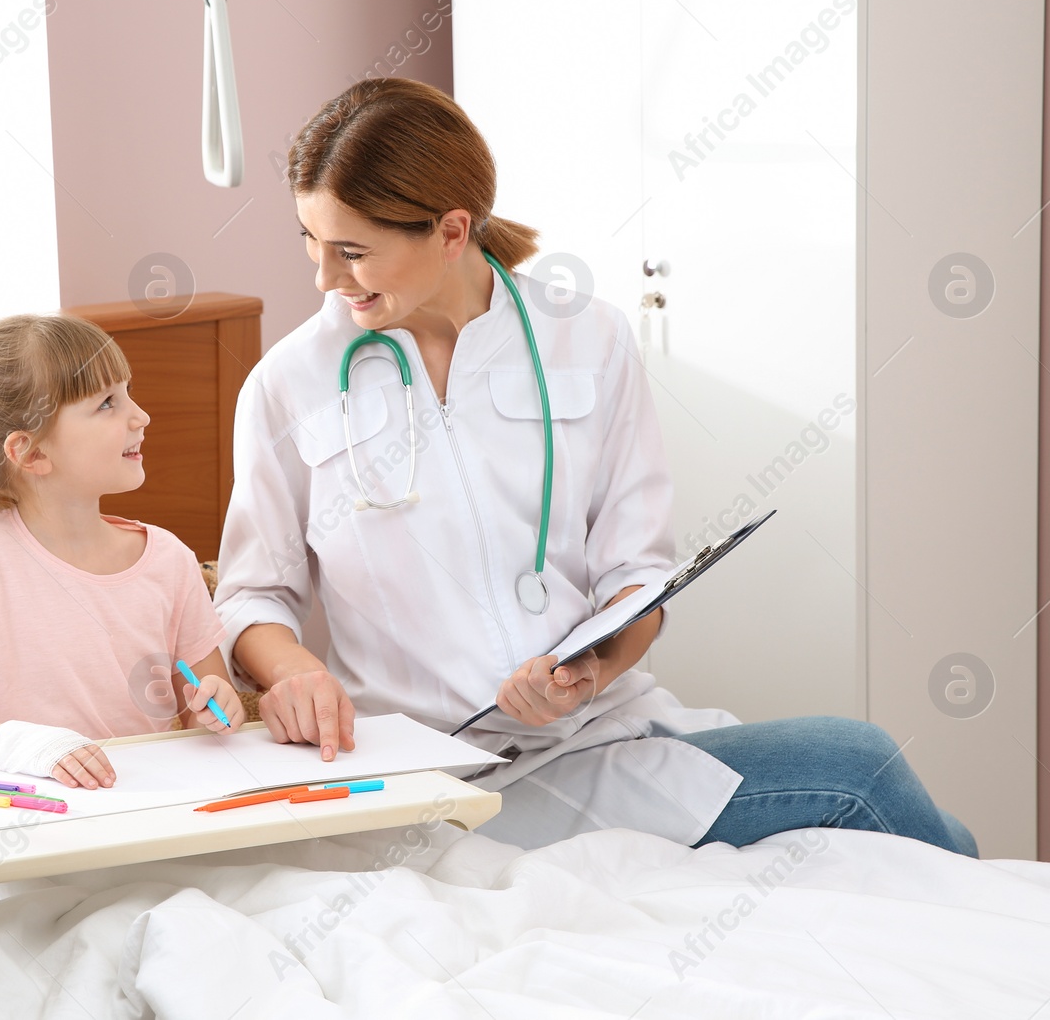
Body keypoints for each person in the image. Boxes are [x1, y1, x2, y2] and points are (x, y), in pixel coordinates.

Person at [214, 78, 976, 856]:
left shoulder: (589, 340)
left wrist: (589, 670)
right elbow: (251, 594)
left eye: (352, 252)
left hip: (595, 737)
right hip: (430, 774)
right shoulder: (289, 384)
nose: (325, 280)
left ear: (451, 231)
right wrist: (296, 670)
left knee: (909, 806)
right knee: (861, 770)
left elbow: (636, 579)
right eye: (310, 243)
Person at [0, 314, 244, 790]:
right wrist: (25, 745)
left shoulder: (170, 560)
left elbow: (205, 711)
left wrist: (218, 707)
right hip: (35, 825)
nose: (141, 416)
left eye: (129, 392)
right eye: (107, 404)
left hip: (149, 815)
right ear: (31, 454)